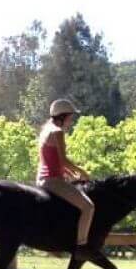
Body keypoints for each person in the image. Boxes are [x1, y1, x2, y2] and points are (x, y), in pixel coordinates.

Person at [36, 99, 96, 260]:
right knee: (88, 207)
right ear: (62, 116)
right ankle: (81, 246)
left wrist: (70, 174)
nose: (71, 120)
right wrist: (82, 172)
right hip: (52, 180)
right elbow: (63, 160)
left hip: (43, 178)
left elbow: (54, 160)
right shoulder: (57, 132)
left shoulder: (46, 129)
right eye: (70, 117)